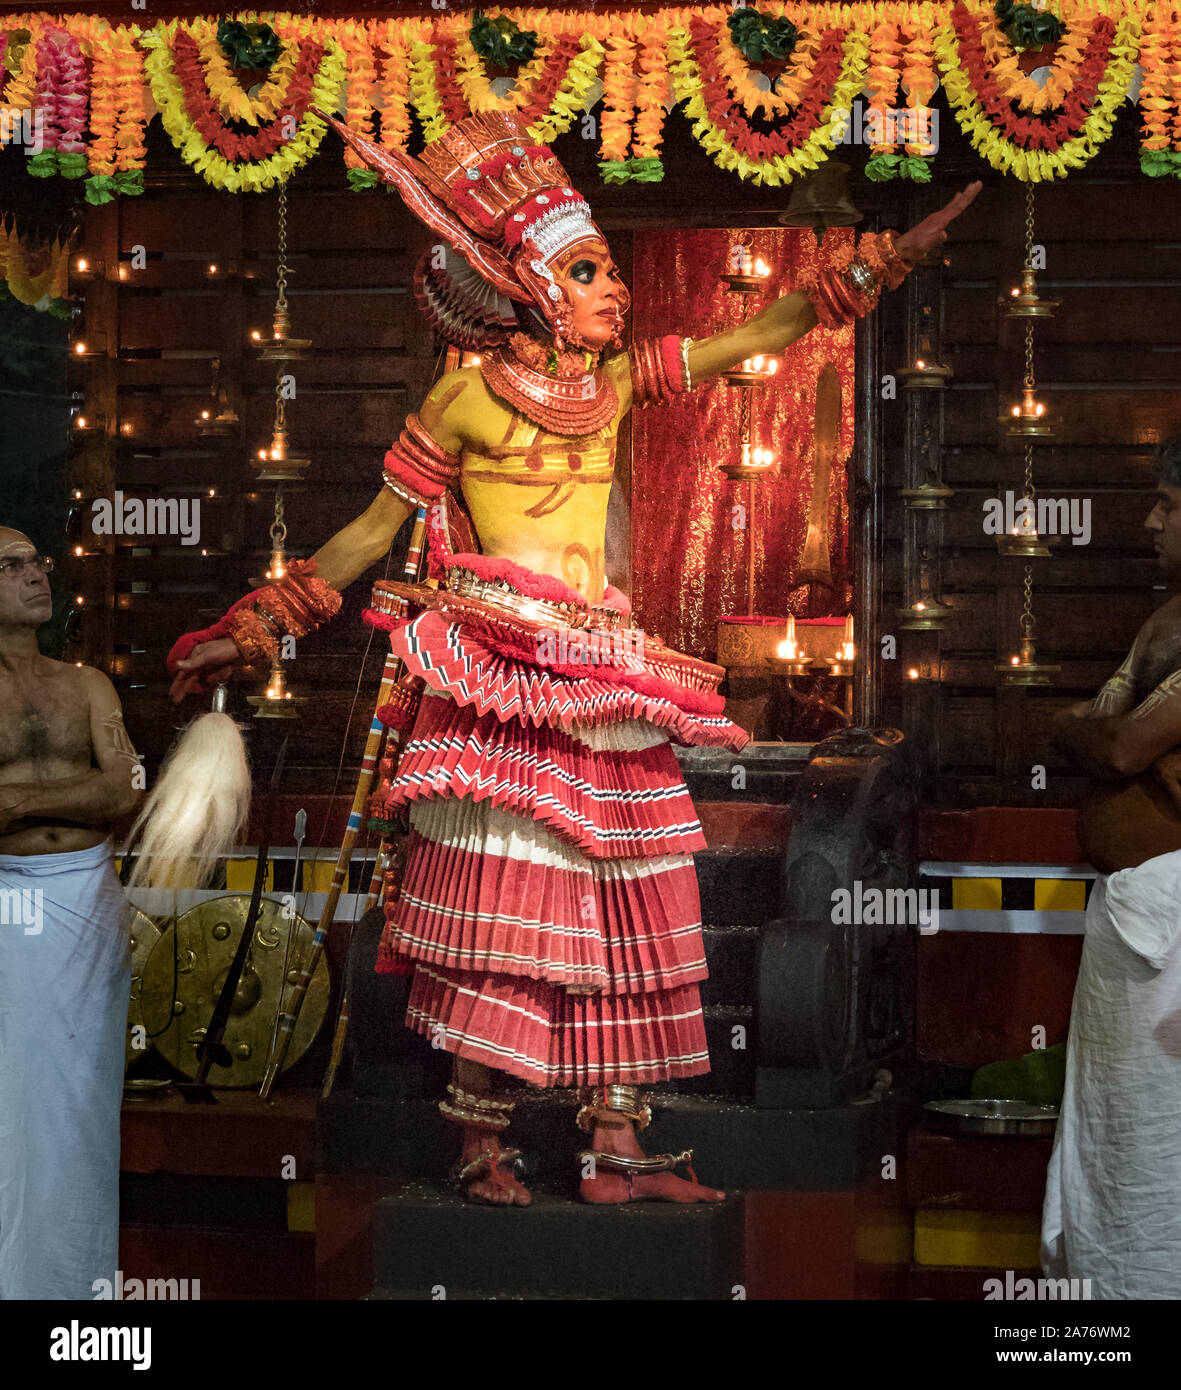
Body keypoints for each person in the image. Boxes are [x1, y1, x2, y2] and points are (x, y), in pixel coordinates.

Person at [169, 109, 979, 1206]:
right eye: (591, 271)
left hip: (600, 669)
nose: (618, 290)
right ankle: (480, 1142)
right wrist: (256, 625)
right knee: (502, 893)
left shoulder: (619, 384)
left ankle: (616, 1147)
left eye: (609, 270)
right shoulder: (462, 397)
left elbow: (762, 331)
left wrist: (880, 263)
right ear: (536, 285)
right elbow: (369, 534)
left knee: (629, 898)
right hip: (498, 677)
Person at [1043, 441, 1181, 1297]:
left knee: (1158, 1134)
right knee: (1119, 1129)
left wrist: (1091, 736)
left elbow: (1120, 740)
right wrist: (1091, 735)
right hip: (1137, 913)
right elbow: (1099, 726)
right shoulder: (1164, 623)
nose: (1150, 521)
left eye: (1169, 504)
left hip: (1169, 920)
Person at [0, 527, 142, 1298]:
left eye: (37, 562)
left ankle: (73, 1295)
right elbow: (98, 786)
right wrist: (71, 794)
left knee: (82, 1103)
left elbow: (123, 789)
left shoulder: (88, 685)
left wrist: (19, 800)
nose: (35, 575)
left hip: (85, 897)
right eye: (12, 565)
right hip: (7, 899)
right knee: (9, 1102)